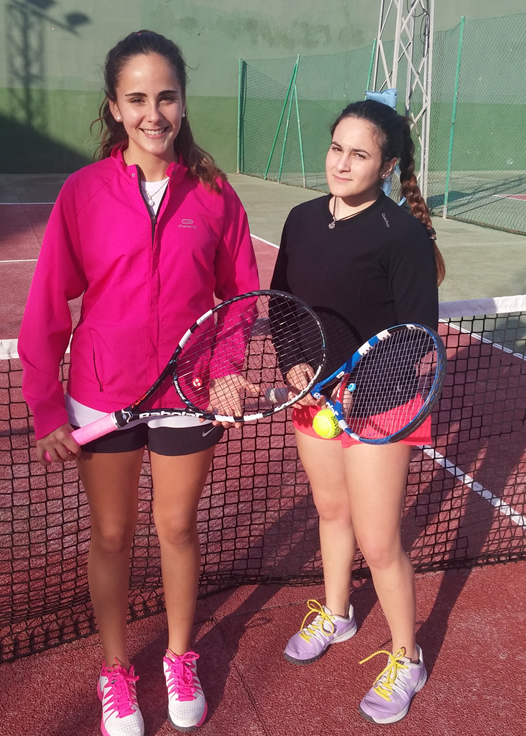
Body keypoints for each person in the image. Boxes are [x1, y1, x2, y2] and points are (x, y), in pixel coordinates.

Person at [18, 30, 259, 736]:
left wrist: (226, 369)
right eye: (137, 99)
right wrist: (45, 406)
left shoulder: (214, 193)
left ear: (183, 101)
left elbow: (240, 297)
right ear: (115, 107)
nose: (154, 114)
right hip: (102, 393)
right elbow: (47, 303)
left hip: (187, 395)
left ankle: (179, 657)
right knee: (113, 534)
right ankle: (116, 670)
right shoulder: (82, 193)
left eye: (167, 97)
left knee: (177, 527)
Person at [270, 99, 445, 725]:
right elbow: (281, 303)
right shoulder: (300, 219)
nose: (342, 164)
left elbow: (416, 338)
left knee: (377, 539)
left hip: (380, 405)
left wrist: (358, 392)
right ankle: (338, 614)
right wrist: (294, 365)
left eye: (360, 154)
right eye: (336, 148)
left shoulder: (403, 236)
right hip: (313, 398)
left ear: (387, 165)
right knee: (331, 510)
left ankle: (407, 656)